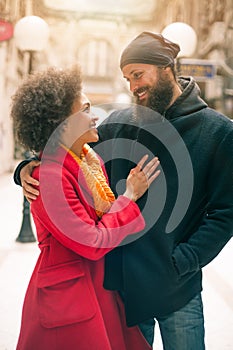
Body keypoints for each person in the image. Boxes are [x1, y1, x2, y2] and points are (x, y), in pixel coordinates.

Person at [13, 32, 233, 350]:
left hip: (179, 287)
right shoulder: (118, 123)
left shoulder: (219, 131)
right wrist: (26, 169)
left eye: (138, 75)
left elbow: (226, 212)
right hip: (125, 289)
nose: (133, 87)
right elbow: (65, 143)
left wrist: (186, 260)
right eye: (127, 78)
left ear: (167, 68)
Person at [11, 65, 161, 350]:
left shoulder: (84, 160)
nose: (95, 116)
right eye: (86, 108)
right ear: (61, 123)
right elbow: (91, 241)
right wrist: (128, 196)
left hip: (91, 287)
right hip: (70, 299)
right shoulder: (50, 176)